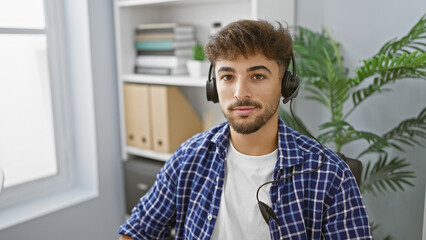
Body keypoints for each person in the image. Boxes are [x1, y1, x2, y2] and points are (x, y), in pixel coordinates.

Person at [118, 19, 373, 240]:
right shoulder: (189, 157)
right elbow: (137, 231)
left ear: (286, 84)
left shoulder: (330, 175)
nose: (240, 93)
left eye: (258, 76)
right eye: (227, 77)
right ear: (213, 86)